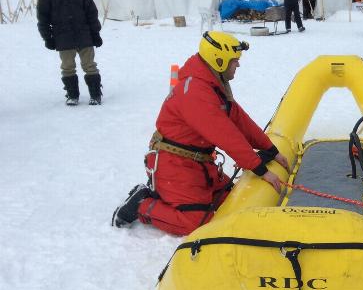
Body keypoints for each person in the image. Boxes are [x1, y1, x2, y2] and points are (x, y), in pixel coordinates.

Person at [112, 31, 290, 235]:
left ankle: (166, 195)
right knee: (196, 222)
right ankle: (141, 205)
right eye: (235, 61)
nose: (238, 65)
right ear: (219, 61)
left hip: (198, 164)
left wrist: (271, 149)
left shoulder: (211, 84)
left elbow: (239, 120)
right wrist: (261, 169)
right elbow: (226, 135)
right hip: (176, 166)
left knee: (228, 198)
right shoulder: (196, 92)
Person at [37, 0, 103, 106]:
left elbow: (91, 13)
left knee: (89, 65)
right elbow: (43, 18)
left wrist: (95, 33)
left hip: (84, 36)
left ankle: (95, 95)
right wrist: (48, 37)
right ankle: (72, 95)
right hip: (63, 38)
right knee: (67, 67)